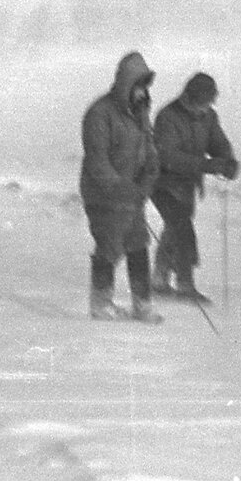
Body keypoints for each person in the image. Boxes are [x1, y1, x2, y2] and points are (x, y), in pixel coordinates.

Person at [79, 51, 163, 323]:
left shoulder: (140, 114)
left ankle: (143, 304)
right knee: (110, 244)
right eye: (138, 86)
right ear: (126, 84)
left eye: (145, 87)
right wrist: (120, 188)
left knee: (138, 244)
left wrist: (149, 177)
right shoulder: (99, 114)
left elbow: (149, 150)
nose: (142, 92)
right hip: (103, 195)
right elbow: (97, 161)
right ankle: (101, 304)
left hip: (132, 195)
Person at [149, 73, 238, 304]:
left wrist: (227, 160)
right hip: (163, 183)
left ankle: (158, 280)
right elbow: (167, 156)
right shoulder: (168, 117)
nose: (205, 107)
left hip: (187, 184)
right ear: (189, 97)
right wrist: (206, 165)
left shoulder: (208, 116)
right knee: (182, 229)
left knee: (174, 228)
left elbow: (218, 143)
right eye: (202, 101)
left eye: (209, 102)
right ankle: (185, 285)